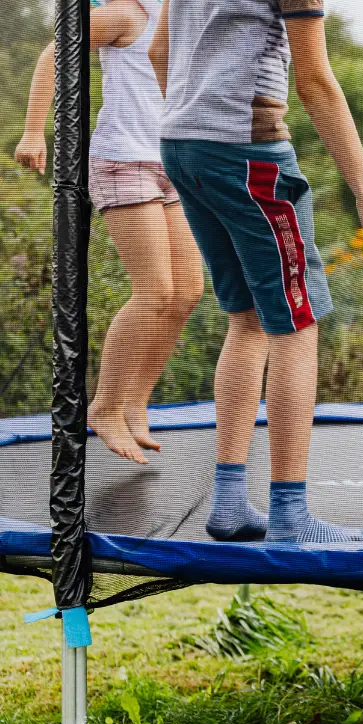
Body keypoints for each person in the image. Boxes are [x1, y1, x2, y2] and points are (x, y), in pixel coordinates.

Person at [148, 0, 363, 542]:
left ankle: (229, 502)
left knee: (246, 318)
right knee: (296, 321)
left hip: (182, 144)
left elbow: (158, 51)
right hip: (249, 153)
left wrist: (198, 113)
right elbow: (315, 81)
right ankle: (290, 512)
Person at [15, 0, 204, 466]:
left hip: (171, 162)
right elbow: (52, 53)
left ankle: (136, 402)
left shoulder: (181, 13)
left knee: (188, 292)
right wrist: (33, 133)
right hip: (124, 162)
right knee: (155, 291)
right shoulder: (126, 14)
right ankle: (103, 406)